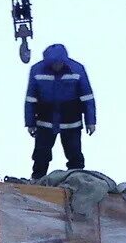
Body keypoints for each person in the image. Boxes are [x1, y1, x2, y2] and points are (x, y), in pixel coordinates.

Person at [24, 43, 97, 179]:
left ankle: (78, 181)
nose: (57, 66)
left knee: (74, 154)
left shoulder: (77, 70)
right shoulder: (36, 70)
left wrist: (90, 121)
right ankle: (37, 180)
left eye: (59, 63)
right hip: (45, 121)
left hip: (71, 121)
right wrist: (30, 123)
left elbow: (87, 97)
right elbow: (31, 98)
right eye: (53, 63)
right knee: (41, 154)